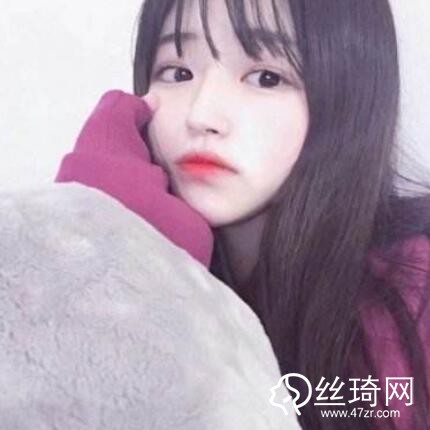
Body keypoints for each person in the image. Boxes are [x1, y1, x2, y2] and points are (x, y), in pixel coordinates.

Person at [56, 0, 430, 428]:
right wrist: (108, 245)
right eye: (178, 73)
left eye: (266, 77)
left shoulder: (410, 295)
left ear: (349, 98)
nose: (201, 115)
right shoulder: (161, 275)